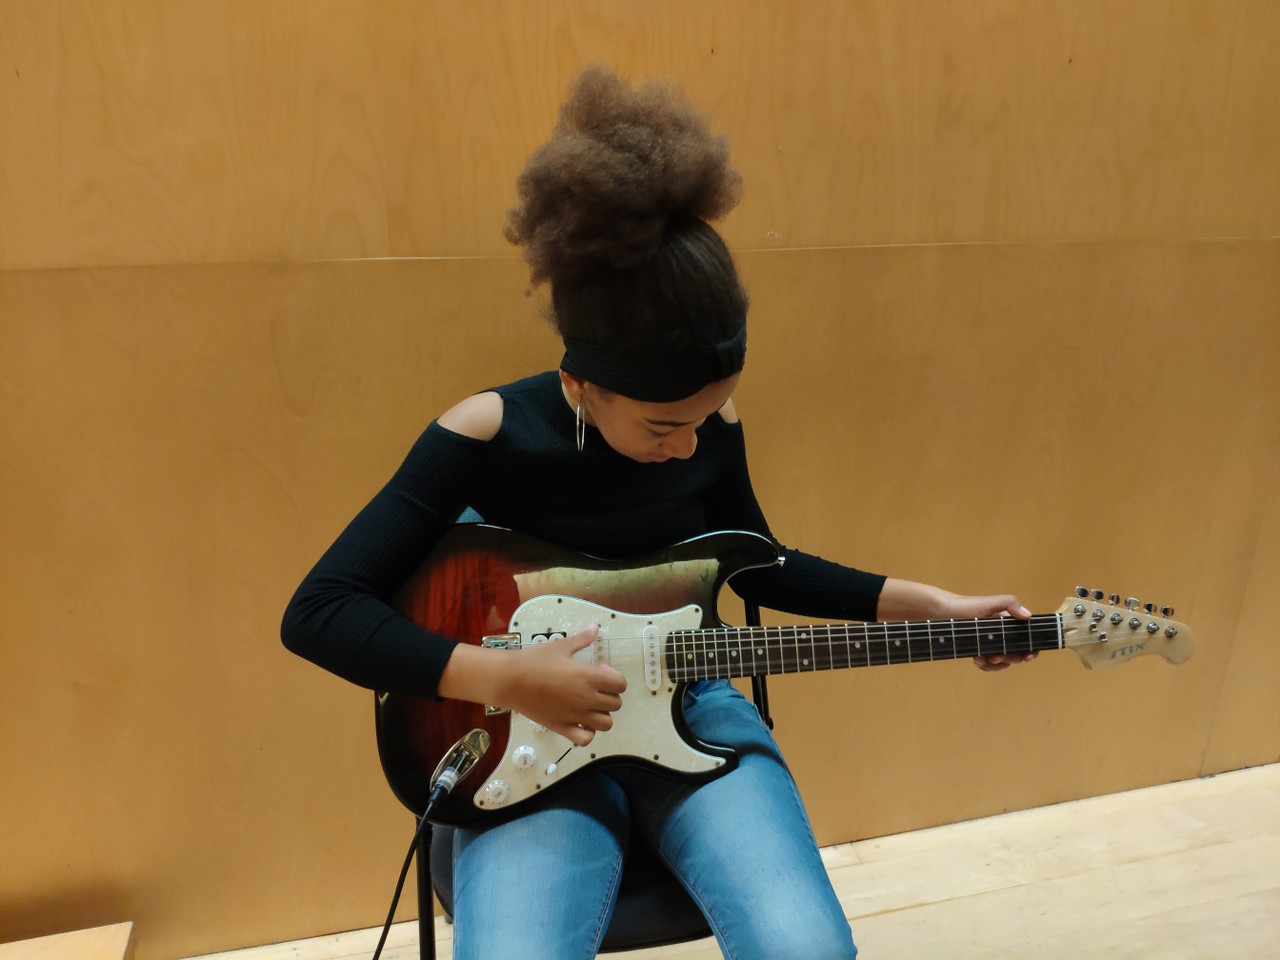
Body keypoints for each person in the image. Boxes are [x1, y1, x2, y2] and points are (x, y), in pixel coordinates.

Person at [281, 63, 1034, 960]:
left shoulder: (710, 426)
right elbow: (320, 611)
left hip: (692, 701)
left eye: (707, 417)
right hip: (523, 733)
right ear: (579, 385)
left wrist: (937, 607)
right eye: (663, 426)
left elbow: (763, 564)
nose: (689, 445)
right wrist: (505, 680)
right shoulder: (484, 431)